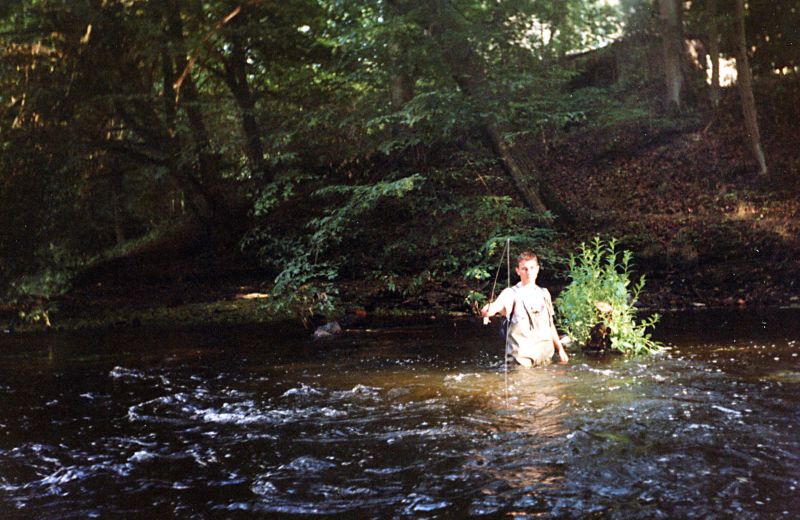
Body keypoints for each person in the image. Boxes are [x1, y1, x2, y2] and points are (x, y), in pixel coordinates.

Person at [481, 251, 569, 367]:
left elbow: (550, 325)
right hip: (522, 361)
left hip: (545, 358)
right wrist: (488, 310)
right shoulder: (510, 293)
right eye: (524, 269)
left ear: (537, 269)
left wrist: (560, 349)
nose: (528, 272)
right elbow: (497, 306)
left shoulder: (544, 293)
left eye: (532, 268)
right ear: (518, 271)